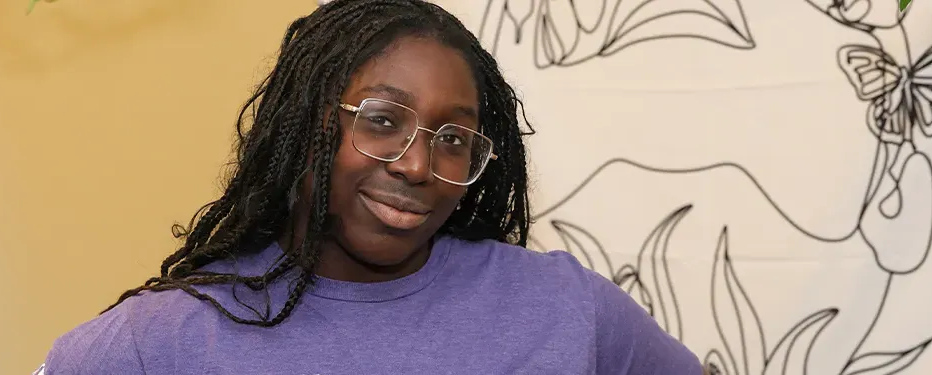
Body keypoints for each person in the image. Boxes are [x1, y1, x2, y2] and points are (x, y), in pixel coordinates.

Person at [39, 0, 704, 373]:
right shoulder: (165, 340)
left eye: (453, 137)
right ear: (305, 124)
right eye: (382, 121)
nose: (418, 166)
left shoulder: (565, 307)